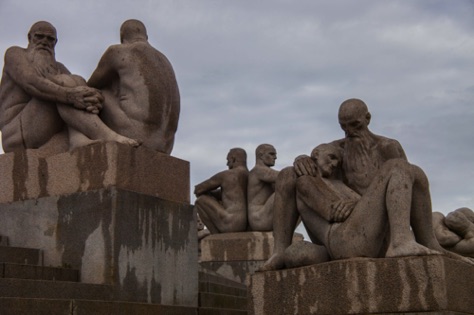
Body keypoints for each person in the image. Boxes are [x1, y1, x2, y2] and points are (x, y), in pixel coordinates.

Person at [261, 98, 448, 270]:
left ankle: (405, 241)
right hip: (344, 232)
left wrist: (355, 206)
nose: (350, 132)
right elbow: (327, 190)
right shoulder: (337, 150)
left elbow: (405, 190)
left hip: (377, 233)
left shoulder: (387, 147)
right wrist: (302, 158)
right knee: (287, 174)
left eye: (355, 125)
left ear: (367, 119)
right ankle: (279, 251)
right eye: (344, 127)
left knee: (408, 170)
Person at [0, 21, 139, 152]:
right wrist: (71, 96)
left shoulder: (59, 67)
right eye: (39, 37)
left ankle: (78, 138)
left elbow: (78, 92)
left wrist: (92, 98)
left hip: (46, 130)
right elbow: (32, 83)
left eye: (50, 39)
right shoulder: (15, 54)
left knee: (77, 80)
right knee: (65, 84)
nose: (44, 42)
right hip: (16, 133)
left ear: (56, 42)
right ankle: (105, 135)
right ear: (30, 38)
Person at [88, 19, 180, 154]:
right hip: (166, 146)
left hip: (136, 136)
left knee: (96, 93)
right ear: (146, 37)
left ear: (122, 35)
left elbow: (91, 85)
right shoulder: (165, 61)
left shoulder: (118, 51)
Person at [194, 148, 249, 234]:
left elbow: (198, 189)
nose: (227, 164)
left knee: (200, 200)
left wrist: (208, 194)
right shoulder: (249, 175)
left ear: (233, 159)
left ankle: (215, 235)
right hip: (245, 224)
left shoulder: (227, 174)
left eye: (228, 160)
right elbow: (229, 194)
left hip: (231, 222)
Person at [247, 144, 279, 231]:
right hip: (259, 219)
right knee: (286, 189)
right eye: (272, 154)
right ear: (261, 155)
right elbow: (286, 177)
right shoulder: (258, 171)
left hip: (262, 217)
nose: (275, 157)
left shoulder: (262, 172)